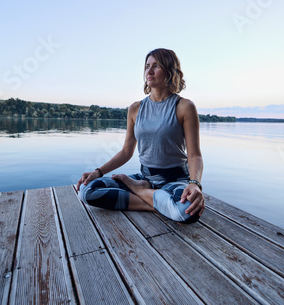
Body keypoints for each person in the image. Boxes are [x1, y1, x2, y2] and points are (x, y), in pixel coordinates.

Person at [76, 48, 205, 223]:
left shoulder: (184, 107)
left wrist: (194, 183)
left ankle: (138, 190)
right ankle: (158, 202)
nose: (149, 72)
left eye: (156, 66)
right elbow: (126, 151)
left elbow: (194, 154)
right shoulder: (135, 109)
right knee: (87, 191)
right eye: (147, 66)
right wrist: (99, 172)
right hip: (145, 177)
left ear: (170, 70)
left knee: (187, 211)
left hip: (175, 180)